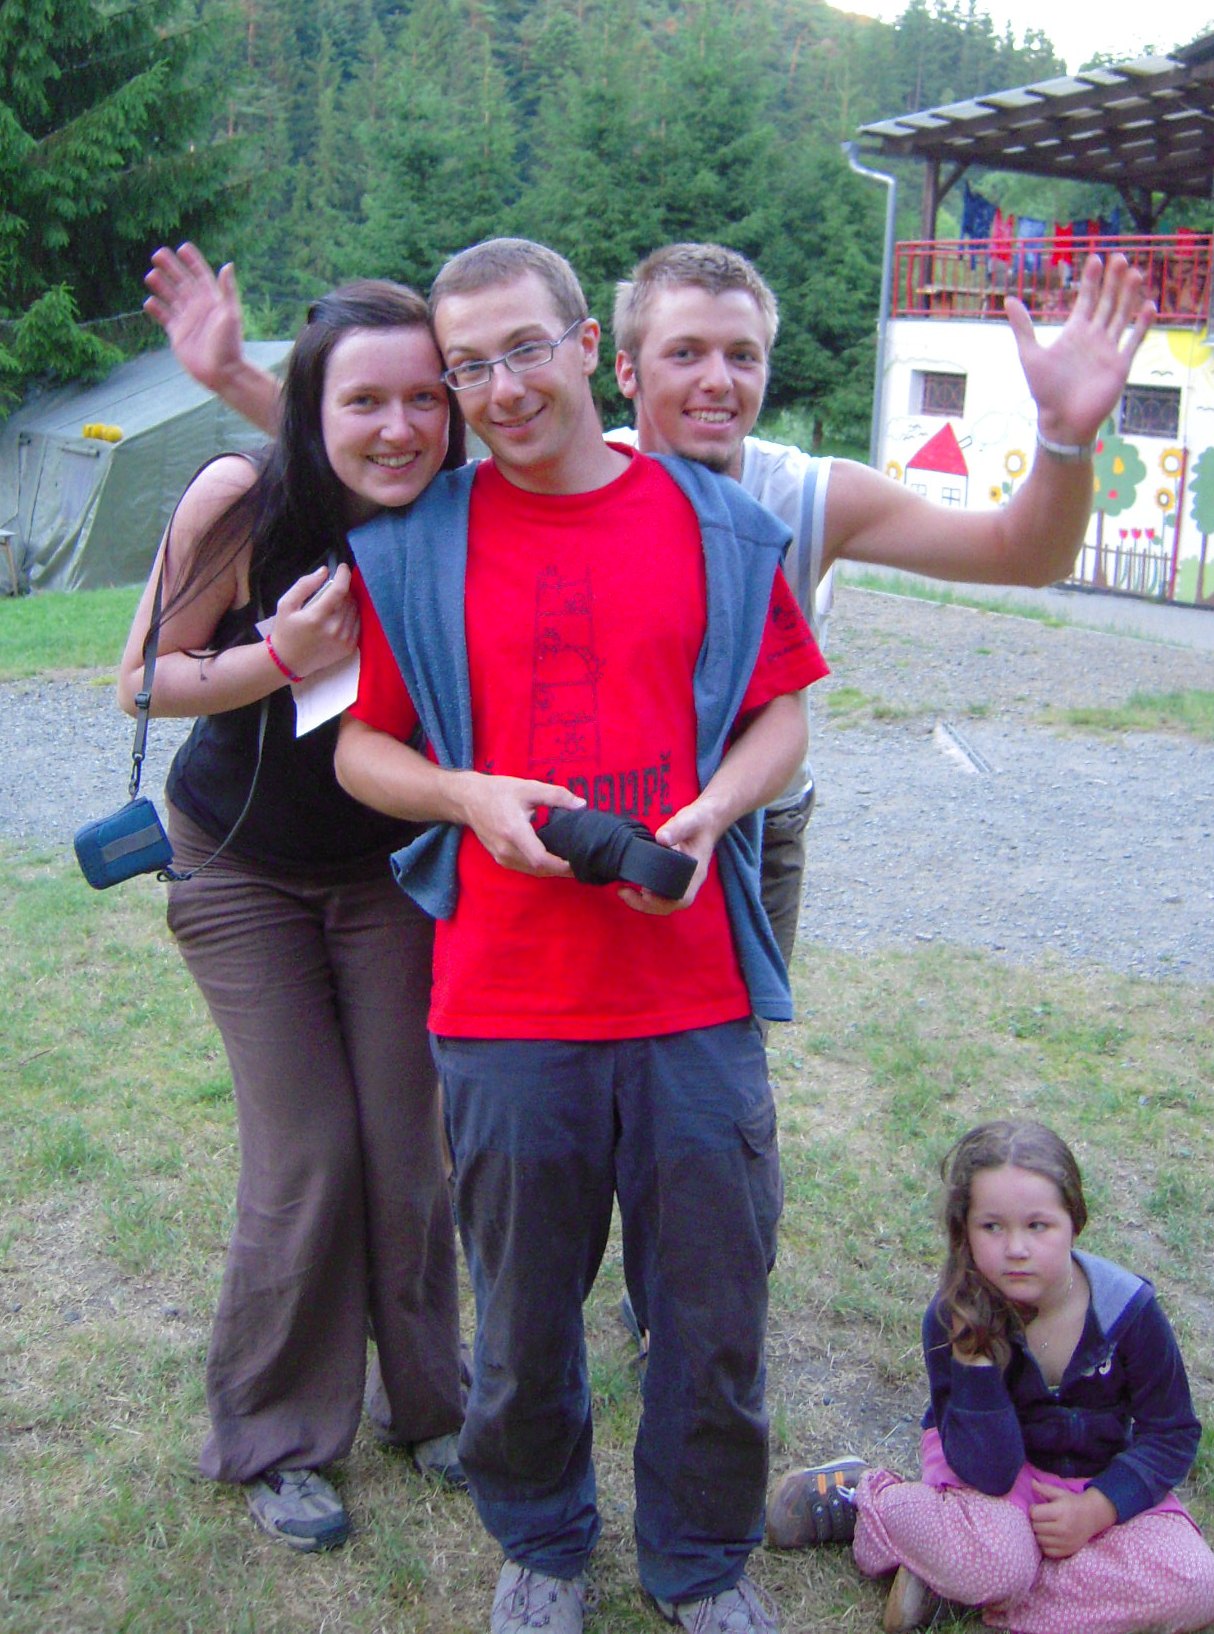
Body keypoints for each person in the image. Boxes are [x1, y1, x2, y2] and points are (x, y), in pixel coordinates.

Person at [142, 241, 1155, 974]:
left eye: (742, 355)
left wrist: (1064, 441)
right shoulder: (572, 468)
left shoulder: (804, 493)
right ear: (618, 365)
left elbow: (1021, 554)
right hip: (585, 817)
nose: (716, 381)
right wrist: (235, 377)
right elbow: (394, 457)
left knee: (716, 1085)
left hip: (752, 814)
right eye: (684, 353)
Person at [330, 236, 827, 1634]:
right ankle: (542, 1541)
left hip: (691, 996)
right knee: (521, 1318)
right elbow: (362, 748)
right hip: (504, 1007)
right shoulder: (413, 547)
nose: (500, 387)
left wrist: (713, 811)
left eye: (524, 349)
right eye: (468, 365)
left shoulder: (719, 526)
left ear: (586, 349)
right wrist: (463, 795)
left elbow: (782, 712)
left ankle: (700, 1558)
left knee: (713, 1315)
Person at [117, 280, 468, 1552]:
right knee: (309, 1147)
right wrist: (279, 658)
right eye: (363, 397)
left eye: (424, 397)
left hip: (391, 872)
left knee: (408, 1145)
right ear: (312, 402)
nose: (398, 425)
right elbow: (141, 678)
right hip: (238, 866)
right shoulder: (240, 498)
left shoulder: (452, 510)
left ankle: (430, 1402)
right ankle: (273, 1431)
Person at [767, 1120, 1214, 1634]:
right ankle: (872, 1500)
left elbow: (1172, 1432)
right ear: (964, 1231)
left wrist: (1099, 1508)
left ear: (1075, 1220)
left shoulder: (1128, 1311)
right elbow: (989, 1473)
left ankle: (956, 1585)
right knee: (997, 1557)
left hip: (1094, 1480)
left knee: (1197, 1585)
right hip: (989, 1481)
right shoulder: (951, 1317)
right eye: (992, 1227)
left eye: (1038, 1226)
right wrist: (975, 1361)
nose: (1016, 1248)